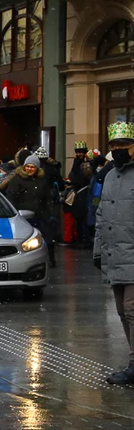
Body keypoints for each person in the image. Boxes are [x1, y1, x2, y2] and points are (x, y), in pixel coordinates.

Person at [94, 122, 134, 385]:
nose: (119, 150)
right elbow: (101, 216)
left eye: (124, 146)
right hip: (114, 255)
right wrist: (98, 251)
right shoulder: (109, 176)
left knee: (132, 310)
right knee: (122, 311)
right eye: (115, 146)